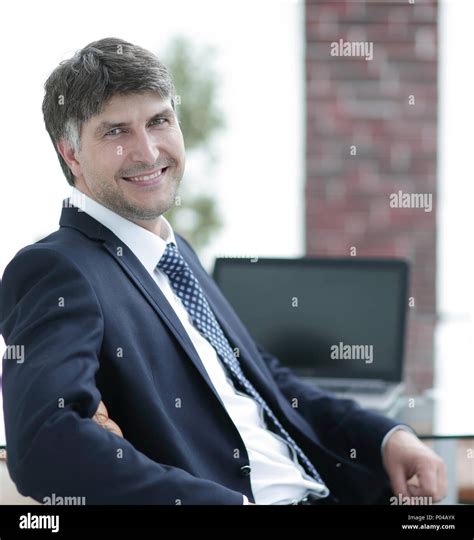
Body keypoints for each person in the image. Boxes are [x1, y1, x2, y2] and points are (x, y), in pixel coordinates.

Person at [0, 38, 447, 506]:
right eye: (116, 132)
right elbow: (45, 446)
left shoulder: (172, 252)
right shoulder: (56, 268)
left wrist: (387, 436)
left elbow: (264, 380)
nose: (148, 151)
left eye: (158, 121)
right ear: (70, 153)